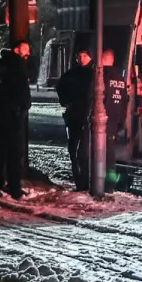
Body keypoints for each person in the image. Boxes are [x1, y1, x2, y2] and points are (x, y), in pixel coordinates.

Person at [0, 44, 32, 198]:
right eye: (26, 49)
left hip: (2, 115)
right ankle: (13, 187)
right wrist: (18, 107)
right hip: (12, 116)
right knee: (13, 153)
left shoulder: (2, 66)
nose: (29, 53)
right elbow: (20, 92)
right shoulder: (16, 67)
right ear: (18, 49)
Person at [56, 42, 96, 192]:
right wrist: (66, 102)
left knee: (85, 151)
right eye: (80, 56)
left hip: (88, 115)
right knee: (74, 149)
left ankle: (87, 181)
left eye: (85, 55)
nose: (82, 58)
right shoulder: (71, 74)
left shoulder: (94, 74)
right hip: (74, 115)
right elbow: (60, 87)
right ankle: (80, 181)